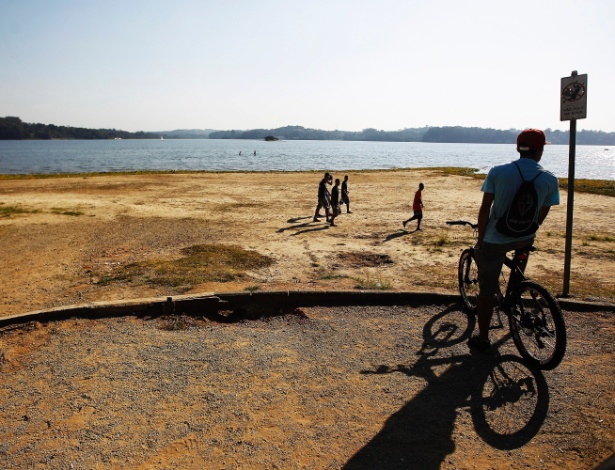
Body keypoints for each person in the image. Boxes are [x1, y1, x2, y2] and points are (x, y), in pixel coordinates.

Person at [470, 128, 560, 353]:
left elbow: (484, 209)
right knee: (517, 279)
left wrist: (481, 240)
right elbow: (543, 212)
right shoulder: (549, 179)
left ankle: (483, 338)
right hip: (524, 238)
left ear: (518, 148)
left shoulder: (498, 172)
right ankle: (515, 298)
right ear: (540, 150)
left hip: (495, 239)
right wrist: (530, 229)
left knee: (487, 290)